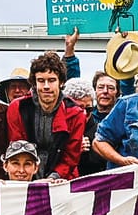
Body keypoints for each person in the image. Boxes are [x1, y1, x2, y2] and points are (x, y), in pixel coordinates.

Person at [5, 53, 86, 181]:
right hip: (24, 175)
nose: (46, 86)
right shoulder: (17, 107)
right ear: (34, 83)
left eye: (52, 80)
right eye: (41, 81)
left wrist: (53, 178)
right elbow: (17, 146)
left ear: (61, 82)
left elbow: (71, 156)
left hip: (61, 178)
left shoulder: (76, 113)